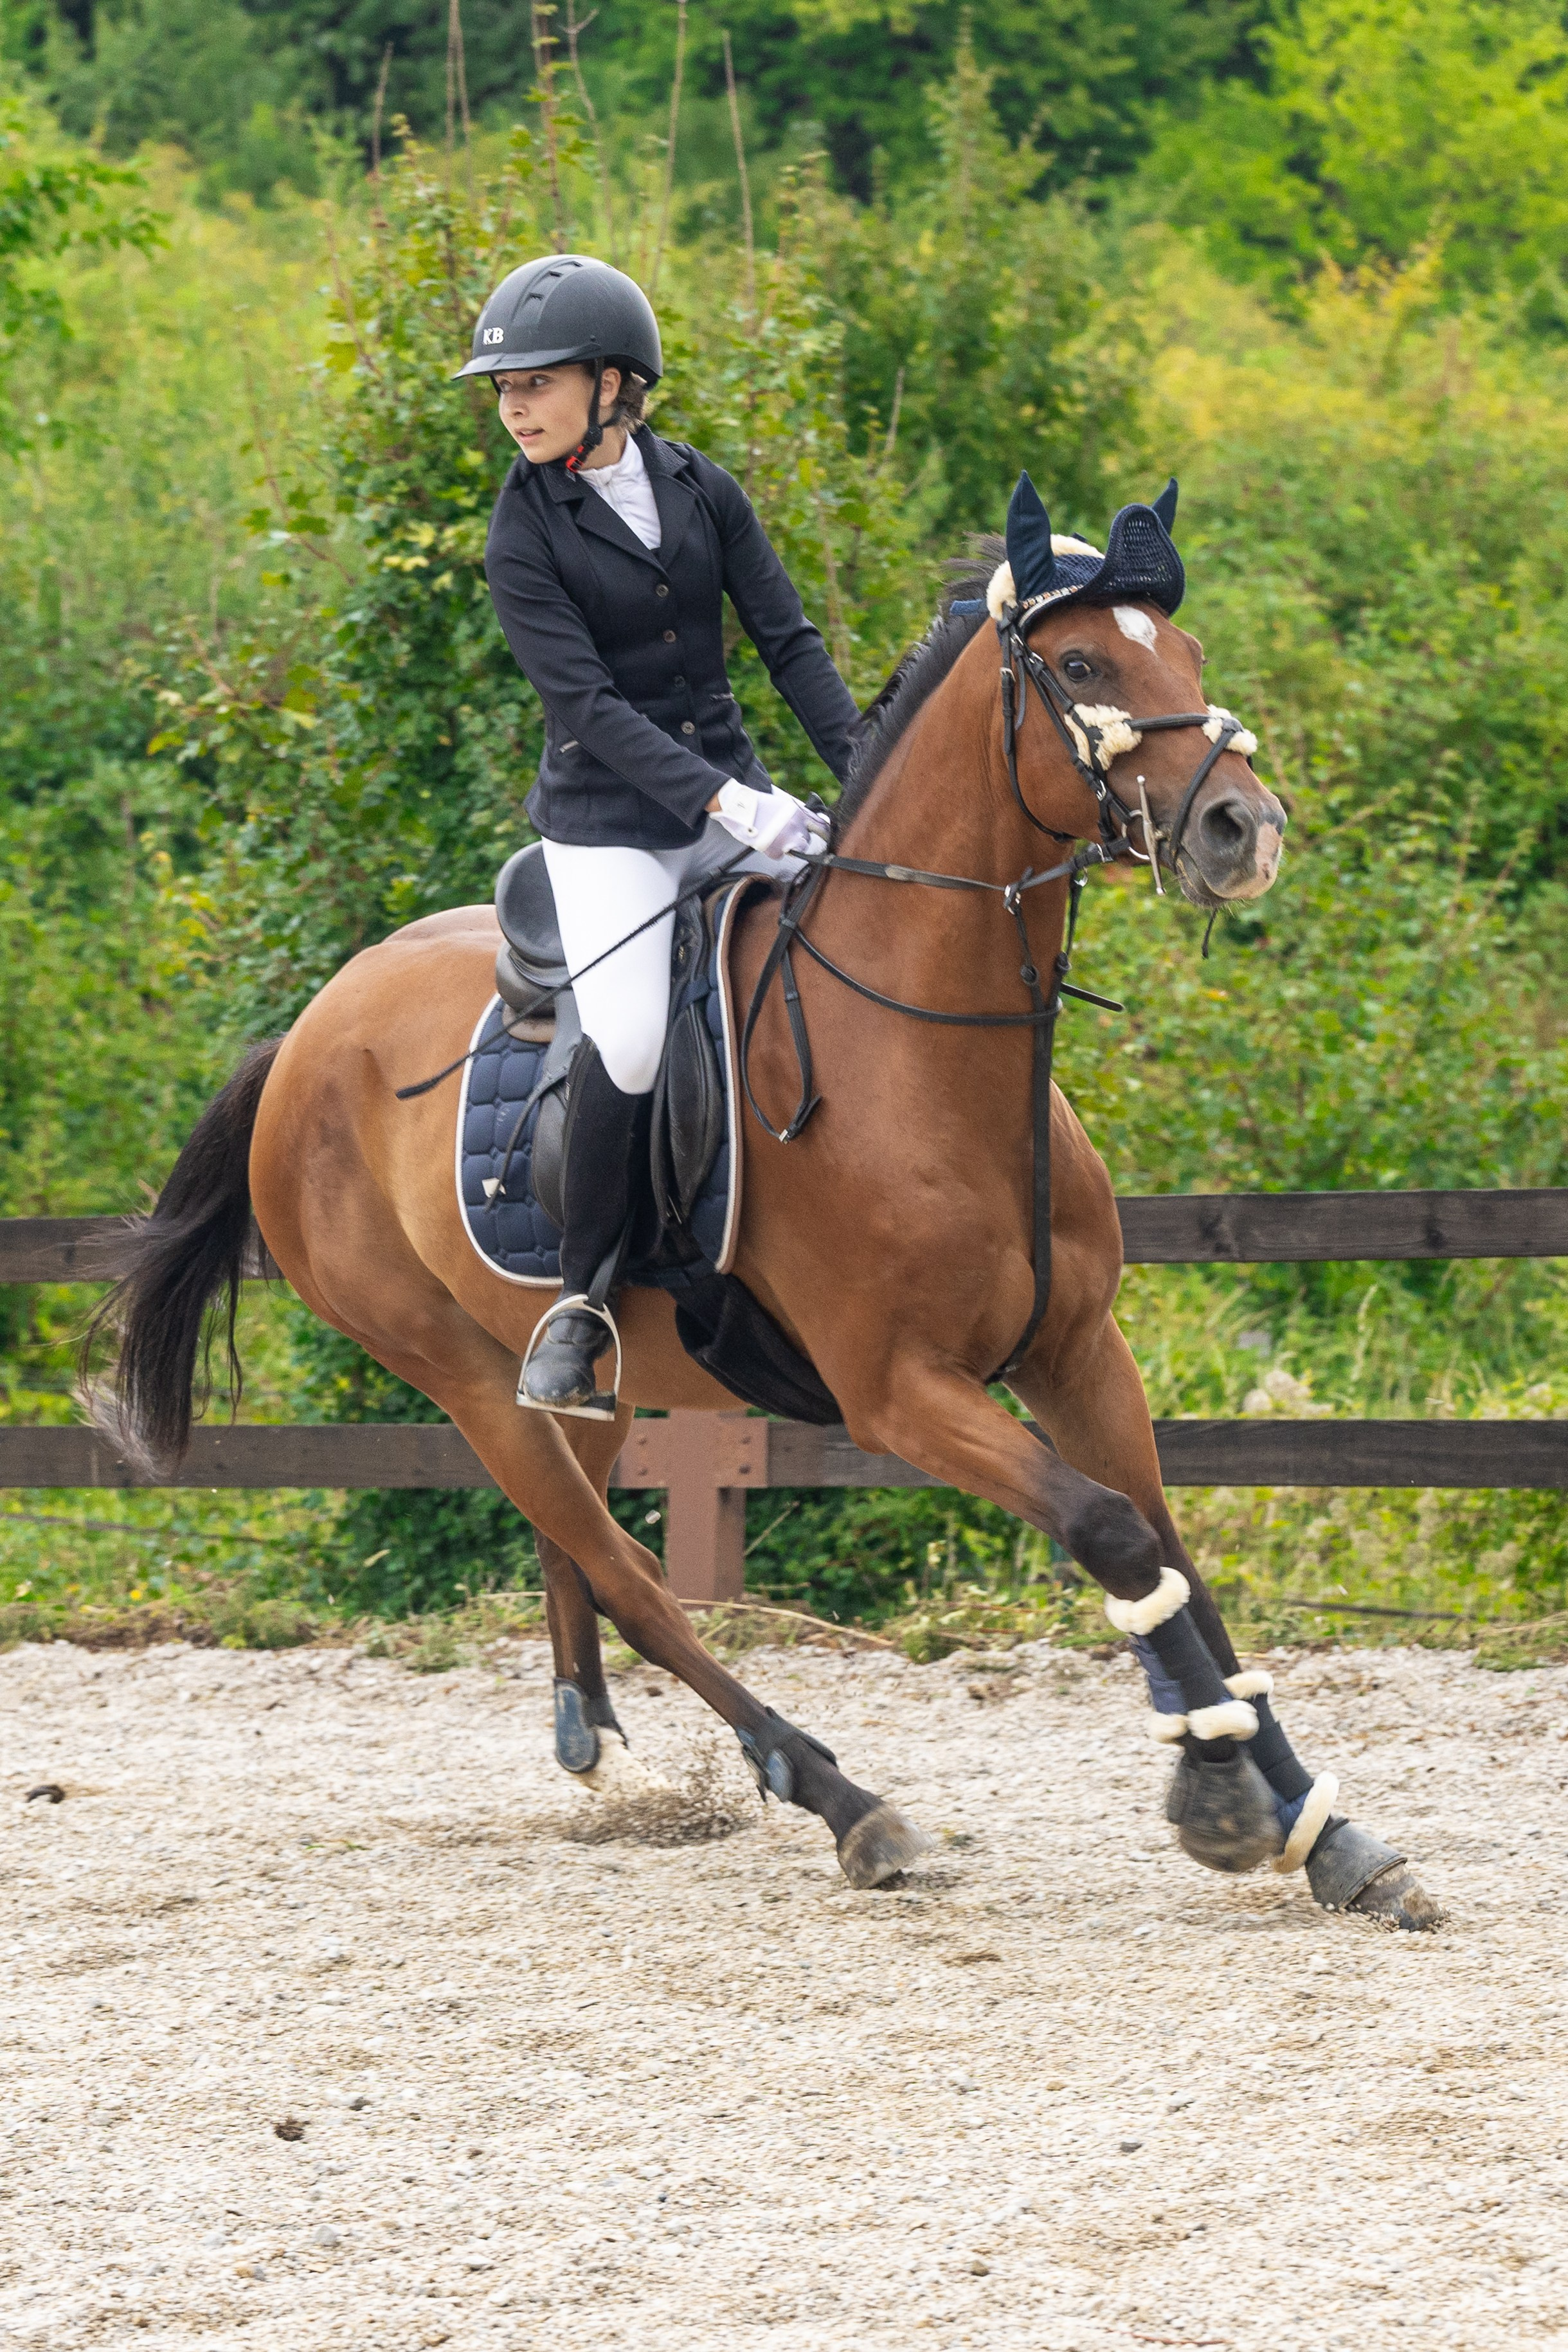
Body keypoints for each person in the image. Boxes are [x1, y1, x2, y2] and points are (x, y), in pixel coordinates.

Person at [458, 253, 861, 1417]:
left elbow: (788, 646)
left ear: (615, 382)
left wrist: (862, 784)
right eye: (502, 389)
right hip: (611, 831)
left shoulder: (702, 488)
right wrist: (730, 806)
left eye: (535, 382)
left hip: (733, 797)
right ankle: (576, 1311)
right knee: (630, 1037)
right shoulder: (520, 535)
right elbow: (586, 706)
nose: (514, 407)